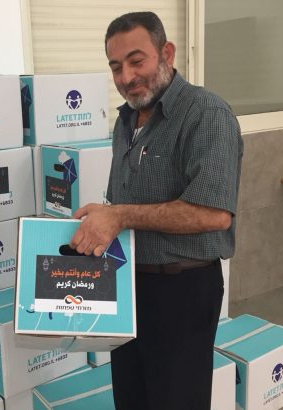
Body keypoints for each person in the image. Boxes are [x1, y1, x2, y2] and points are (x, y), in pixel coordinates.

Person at [69, 11, 243, 410]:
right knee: (131, 396)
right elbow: (129, 200)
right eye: (116, 66)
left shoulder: (207, 114)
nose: (126, 76)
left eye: (136, 61)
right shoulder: (126, 119)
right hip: (128, 287)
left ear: (167, 53)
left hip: (181, 291)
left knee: (175, 400)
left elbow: (214, 214)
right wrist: (105, 215)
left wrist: (120, 216)